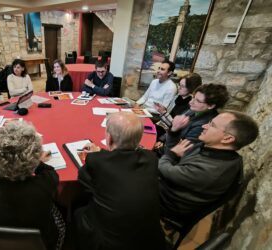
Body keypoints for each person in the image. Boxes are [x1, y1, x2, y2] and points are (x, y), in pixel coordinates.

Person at [74, 112, 165, 250]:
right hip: (151, 241)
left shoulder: (96, 161)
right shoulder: (151, 159)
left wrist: (97, 155)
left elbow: (83, 181)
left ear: (109, 139)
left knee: (77, 209)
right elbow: (121, 162)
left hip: (110, 244)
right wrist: (102, 153)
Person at [0, 121, 65, 250]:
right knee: (60, 212)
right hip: (44, 243)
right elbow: (51, 173)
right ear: (35, 156)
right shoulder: (44, 184)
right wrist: (36, 160)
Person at [159, 111, 259, 220]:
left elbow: (164, 168)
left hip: (165, 202)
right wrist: (174, 133)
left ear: (227, 138)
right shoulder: (209, 146)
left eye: (212, 125)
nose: (204, 126)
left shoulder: (212, 170)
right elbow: (177, 149)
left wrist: (172, 155)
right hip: (166, 181)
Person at [165, 83, 229, 145]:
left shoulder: (204, 125)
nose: (191, 102)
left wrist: (174, 130)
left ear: (211, 106)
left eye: (198, 101)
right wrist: (162, 139)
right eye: (193, 97)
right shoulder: (194, 109)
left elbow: (181, 149)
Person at [154, 73, 202, 139]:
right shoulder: (178, 97)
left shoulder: (191, 105)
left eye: (182, 86)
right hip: (162, 125)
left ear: (191, 88)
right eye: (179, 85)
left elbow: (177, 126)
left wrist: (164, 113)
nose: (179, 88)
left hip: (170, 133)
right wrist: (163, 110)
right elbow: (168, 116)